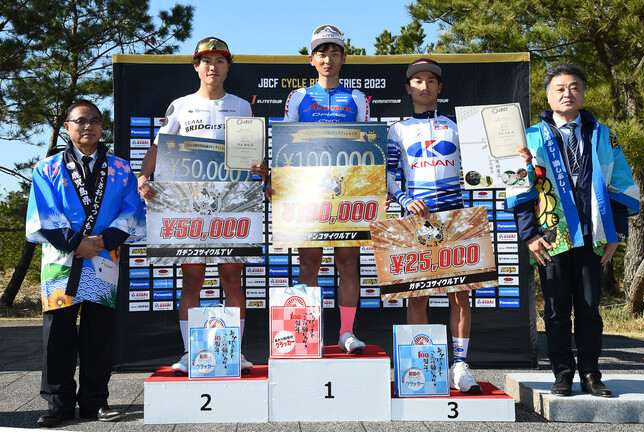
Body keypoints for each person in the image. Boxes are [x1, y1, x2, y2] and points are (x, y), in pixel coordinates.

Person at [386, 58, 531, 393]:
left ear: (439, 87)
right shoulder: (398, 129)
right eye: (418, 81)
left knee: (460, 295)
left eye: (430, 81)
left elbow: (490, 167)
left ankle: (460, 365)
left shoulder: (458, 127)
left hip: (456, 217)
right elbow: (390, 175)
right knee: (417, 297)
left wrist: (517, 164)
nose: (424, 86)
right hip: (418, 219)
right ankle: (420, 365)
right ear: (408, 88)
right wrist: (405, 200)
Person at [507, 64, 639, 397]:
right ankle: (562, 374)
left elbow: (620, 182)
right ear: (548, 96)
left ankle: (591, 374)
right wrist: (529, 234)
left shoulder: (604, 135)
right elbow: (518, 186)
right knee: (556, 309)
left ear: (583, 92)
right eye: (560, 88)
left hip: (594, 234)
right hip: (551, 235)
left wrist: (615, 232)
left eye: (574, 87)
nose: (568, 93)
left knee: (590, 308)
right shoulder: (530, 137)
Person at [138, 37, 267, 375]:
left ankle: (235, 351)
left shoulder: (242, 106)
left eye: (220, 61)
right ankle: (188, 351)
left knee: (232, 280)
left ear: (228, 67)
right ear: (196, 67)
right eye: (206, 61)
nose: (213, 67)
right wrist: (144, 175)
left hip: (231, 202)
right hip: (189, 203)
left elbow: (253, 156)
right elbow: (158, 147)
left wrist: (261, 169)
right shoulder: (180, 105)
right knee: (192, 279)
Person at [26, 100, 146, 427]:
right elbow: (44, 211)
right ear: (67, 127)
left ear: (102, 127)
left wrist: (104, 240)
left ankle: (95, 402)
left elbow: (132, 210)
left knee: (99, 336)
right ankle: (58, 405)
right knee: (57, 336)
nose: (88, 126)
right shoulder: (47, 168)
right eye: (80, 121)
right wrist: (76, 242)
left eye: (94, 120)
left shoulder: (121, 168)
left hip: (103, 259)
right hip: (61, 261)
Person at [276, 24, 369, 353]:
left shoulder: (357, 98)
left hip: (348, 191)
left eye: (334, 53)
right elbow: (285, 147)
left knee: (348, 264)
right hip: (308, 193)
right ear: (311, 60)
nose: (327, 59)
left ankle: (346, 333)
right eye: (321, 53)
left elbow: (367, 148)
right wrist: (279, 184)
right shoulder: (298, 97)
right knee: (309, 264)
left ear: (343, 58)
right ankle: (307, 334)